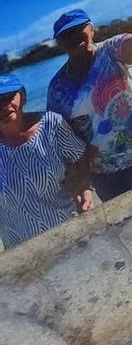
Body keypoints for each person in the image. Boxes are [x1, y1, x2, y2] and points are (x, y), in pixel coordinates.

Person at [44, 0, 132, 200]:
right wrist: (78, 180)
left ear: (92, 29)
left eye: (78, 29)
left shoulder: (112, 50)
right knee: (124, 222)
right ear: (59, 43)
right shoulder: (57, 86)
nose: (74, 37)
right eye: (66, 35)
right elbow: (59, 135)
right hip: (101, 169)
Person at [0, 73, 95, 248]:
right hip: (20, 253)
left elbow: (81, 160)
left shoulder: (51, 124)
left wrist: (84, 189)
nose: (5, 106)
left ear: (23, 97)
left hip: (68, 235)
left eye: (9, 97)